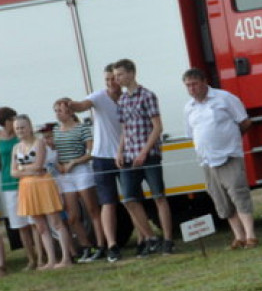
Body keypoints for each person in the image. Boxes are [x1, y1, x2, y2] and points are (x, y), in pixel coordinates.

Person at [182, 68, 259, 248]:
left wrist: (231, 140)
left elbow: (245, 122)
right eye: (188, 86)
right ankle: (239, 237)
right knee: (221, 200)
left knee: (238, 193)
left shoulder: (224, 98)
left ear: (204, 82)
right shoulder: (188, 108)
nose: (191, 89)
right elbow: (191, 134)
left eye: (194, 84)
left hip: (229, 155)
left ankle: (251, 235)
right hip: (207, 160)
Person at [114, 58, 175, 254]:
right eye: (115, 76)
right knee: (129, 199)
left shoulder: (147, 95)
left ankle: (168, 239)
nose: (118, 79)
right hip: (130, 155)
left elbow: (157, 127)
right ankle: (150, 237)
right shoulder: (122, 100)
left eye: (120, 74)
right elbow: (124, 129)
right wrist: (120, 150)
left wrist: (144, 151)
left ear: (131, 73)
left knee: (158, 196)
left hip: (149, 154)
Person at [67, 63, 124, 262]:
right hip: (101, 158)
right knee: (107, 203)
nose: (110, 83)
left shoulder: (127, 99)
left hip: (124, 156)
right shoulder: (99, 96)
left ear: (121, 78)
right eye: (107, 80)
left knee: (132, 200)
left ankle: (145, 239)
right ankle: (112, 245)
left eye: (113, 79)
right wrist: (72, 105)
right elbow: (83, 106)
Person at [10, 114, 75, 270]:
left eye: (23, 127)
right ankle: (51, 260)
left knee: (56, 222)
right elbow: (13, 172)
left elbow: (39, 165)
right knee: (40, 226)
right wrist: (27, 170)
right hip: (26, 188)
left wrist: (22, 169)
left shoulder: (39, 143)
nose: (20, 130)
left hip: (43, 185)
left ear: (30, 127)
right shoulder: (16, 148)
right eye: (17, 128)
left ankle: (66, 258)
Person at [52, 98, 104, 261]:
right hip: (65, 175)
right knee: (72, 215)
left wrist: (74, 162)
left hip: (80, 171)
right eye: (56, 111)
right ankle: (86, 246)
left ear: (70, 112)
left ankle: (102, 245)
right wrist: (59, 165)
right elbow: (54, 152)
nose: (58, 114)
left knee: (92, 210)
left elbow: (90, 152)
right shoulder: (55, 131)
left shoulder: (82, 128)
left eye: (60, 110)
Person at [0, 107, 36, 272]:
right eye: (12, 119)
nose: (15, 123)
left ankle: (42, 257)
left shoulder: (20, 138)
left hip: (25, 181)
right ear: (5, 121)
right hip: (8, 184)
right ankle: (31, 259)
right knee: (20, 225)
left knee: (33, 222)